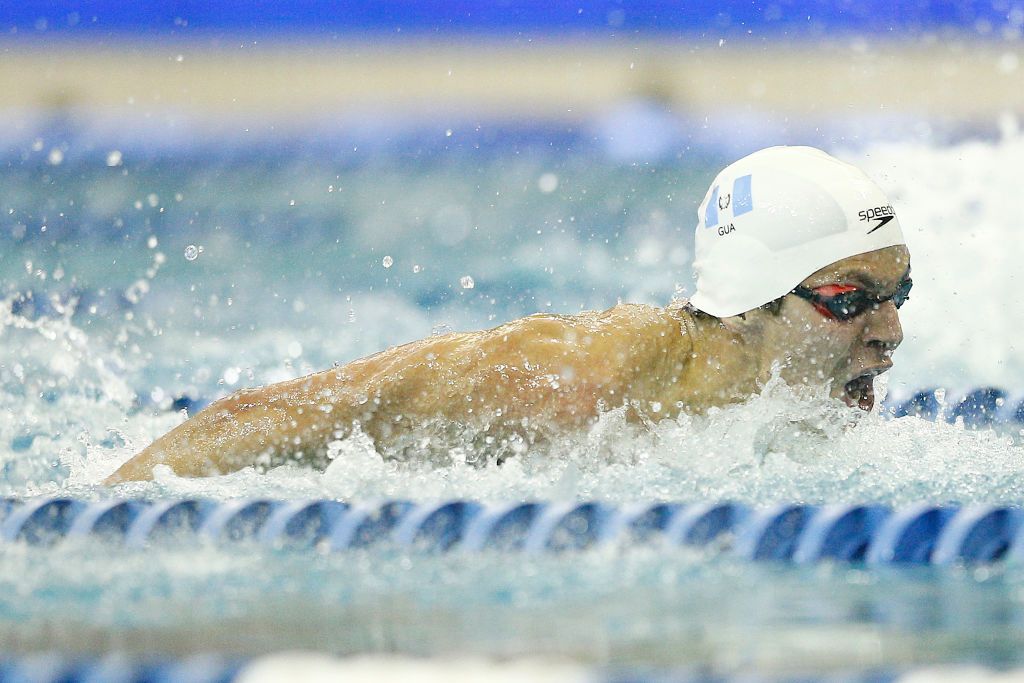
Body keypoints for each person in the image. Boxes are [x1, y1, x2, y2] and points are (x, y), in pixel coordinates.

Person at [105, 146, 911, 483]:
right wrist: (102, 506)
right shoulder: (575, 381)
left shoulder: (799, 414)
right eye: (849, 301)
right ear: (744, 309)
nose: (890, 332)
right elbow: (281, 414)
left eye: (896, 296)